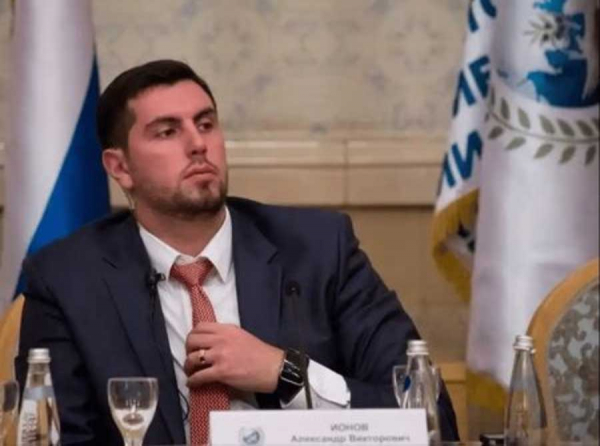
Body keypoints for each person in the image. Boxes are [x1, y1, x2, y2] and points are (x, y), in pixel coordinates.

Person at [16, 59, 459, 445]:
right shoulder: (67, 279)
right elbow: (59, 437)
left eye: (206, 124)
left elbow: (429, 415)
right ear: (120, 167)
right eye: (168, 131)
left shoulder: (321, 249)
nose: (198, 144)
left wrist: (287, 374)